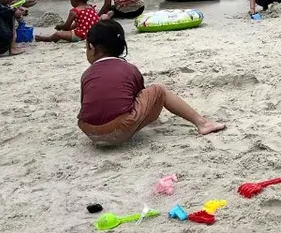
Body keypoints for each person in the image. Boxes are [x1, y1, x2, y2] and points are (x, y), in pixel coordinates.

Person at [77, 20, 224, 145]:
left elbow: (89, 105)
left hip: (89, 131)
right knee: (158, 91)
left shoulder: (87, 74)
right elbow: (140, 97)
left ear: (91, 47)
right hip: (119, 129)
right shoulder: (129, 69)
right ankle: (202, 123)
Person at [38, 0, 110, 42]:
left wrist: (60, 26)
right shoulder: (91, 7)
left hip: (81, 36)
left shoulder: (74, 11)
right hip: (94, 34)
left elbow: (66, 27)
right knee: (75, 27)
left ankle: (47, 39)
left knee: (58, 34)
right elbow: (81, 22)